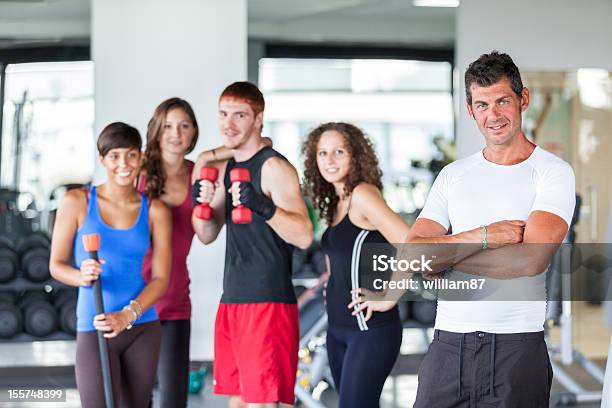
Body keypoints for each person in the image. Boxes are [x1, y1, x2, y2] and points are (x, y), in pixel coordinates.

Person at [352, 51, 576, 407]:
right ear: (471, 110)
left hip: (516, 349)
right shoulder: (454, 176)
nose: (494, 115)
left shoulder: (552, 172)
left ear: (524, 99)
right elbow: (413, 252)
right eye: (482, 105)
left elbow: (530, 260)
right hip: (448, 347)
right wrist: (484, 236)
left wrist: (442, 260)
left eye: (503, 101)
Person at [192, 81, 313, 408]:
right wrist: (200, 205)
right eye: (223, 114)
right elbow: (206, 234)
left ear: (258, 119)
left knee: (265, 402)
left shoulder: (274, 167)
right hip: (232, 297)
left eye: (240, 115)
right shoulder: (227, 167)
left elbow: (304, 235)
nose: (228, 124)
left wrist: (263, 205)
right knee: (239, 400)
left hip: (267, 300)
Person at [49, 122, 172, 408]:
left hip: (142, 325)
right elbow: (55, 265)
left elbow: (161, 278)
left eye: (131, 155)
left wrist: (128, 315)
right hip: (96, 324)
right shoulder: (77, 202)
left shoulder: (155, 210)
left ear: (140, 157)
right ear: (103, 159)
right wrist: (81, 276)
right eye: (114, 156)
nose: (124, 164)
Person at [301, 122, 410, 408]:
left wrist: (389, 296)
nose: (329, 160)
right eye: (322, 153)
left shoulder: (362, 194)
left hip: (368, 330)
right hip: (337, 329)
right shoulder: (337, 202)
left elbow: (411, 242)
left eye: (339, 151)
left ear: (356, 155)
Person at [138, 97, 199, 408]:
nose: (176, 133)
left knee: (174, 400)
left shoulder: (198, 174)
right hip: (135, 298)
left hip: (175, 299)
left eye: (184, 125)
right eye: (169, 126)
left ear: (193, 132)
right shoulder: (137, 173)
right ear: (157, 131)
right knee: (138, 397)